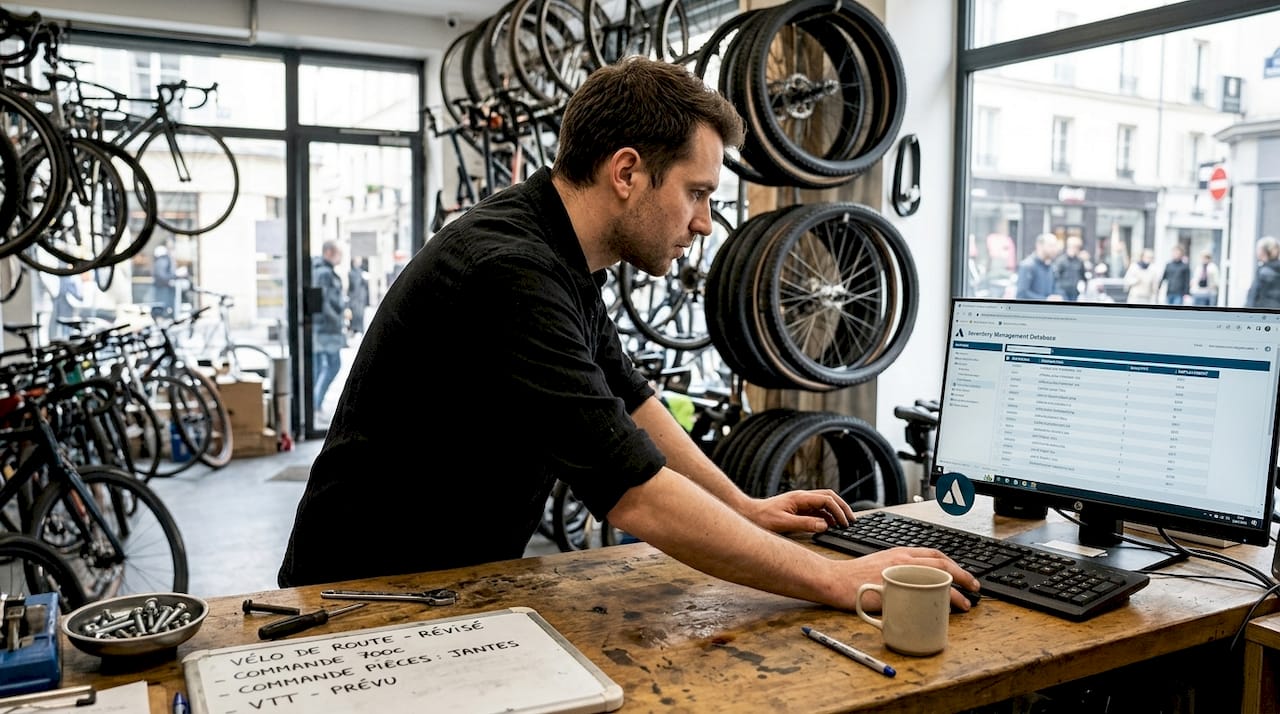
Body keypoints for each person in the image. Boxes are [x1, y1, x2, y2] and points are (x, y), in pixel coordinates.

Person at [278, 57, 978, 614]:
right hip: (358, 601)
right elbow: (632, 490)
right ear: (627, 172)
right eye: (698, 193)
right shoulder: (510, 269)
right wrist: (836, 580)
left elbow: (631, 402)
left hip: (447, 586)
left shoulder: (557, 247)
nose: (705, 222)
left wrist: (744, 506)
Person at [311, 239, 346, 415]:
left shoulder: (323, 271)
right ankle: (316, 404)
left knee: (319, 367)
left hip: (323, 327)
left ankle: (315, 405)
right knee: (333, 365)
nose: (341, 258)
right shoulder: (324, 273)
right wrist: (336, 320)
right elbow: (324, 302)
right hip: (326, 328)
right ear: (329, 253)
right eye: (339, 253)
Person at [1014, 233, 1063, 300]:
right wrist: (1046, 300)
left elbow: (1055, 288)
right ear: (1039, 246)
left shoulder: (1051, 267)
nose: (1055, 249)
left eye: (1055, 246)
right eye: (1051, 246)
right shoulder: (1027, 266)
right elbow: (1021, 295)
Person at [1051, 235, 1089, 301]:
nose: (1076, 249)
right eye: (1074, 247)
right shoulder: (1061, 261)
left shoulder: (1079, 261)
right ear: (1069, 246)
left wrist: (1084, 288)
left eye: (1078, 247)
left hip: (1075, 292)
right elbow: (1055, 276)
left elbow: (1083, 276)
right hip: (1062, 292)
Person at [1245, 236, 1280, 308]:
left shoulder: (1263, 272)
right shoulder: (1273, 269)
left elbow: (1253, 296)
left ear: (1263, 251)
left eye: (1258, 249)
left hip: (1262, 314)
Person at [347, 256, 370, 337]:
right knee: (355, 315)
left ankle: (359, 330)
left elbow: (366, 286)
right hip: (354, 297)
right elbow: (352, 285)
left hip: (360, 297)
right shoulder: (352, 273)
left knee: (360, 315)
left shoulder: (362, 273)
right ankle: (355, 330)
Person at [152, 244, 175, 318]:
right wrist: (174, 276)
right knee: (162, 307)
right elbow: (161, 275)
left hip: (162, 287)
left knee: (162, 306)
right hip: (163, 288)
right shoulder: (163, 261)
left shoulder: (162, 261)